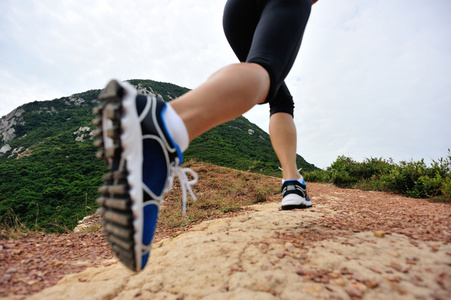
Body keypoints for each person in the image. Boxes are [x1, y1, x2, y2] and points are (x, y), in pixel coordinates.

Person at [94, 0, 317, 272]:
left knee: (279, 95)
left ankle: (291, 181)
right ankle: (164, 127)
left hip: (237, 10)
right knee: (265, 72)